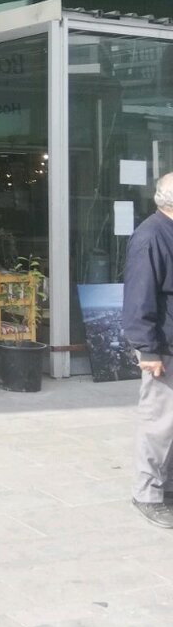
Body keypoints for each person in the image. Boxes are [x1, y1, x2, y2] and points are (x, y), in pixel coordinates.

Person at [123, 173, 173, 527]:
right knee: (158, 423)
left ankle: (166, 486)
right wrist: (148, 351)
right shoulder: (151, 236)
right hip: (163, 347)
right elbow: (139, 296)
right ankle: (147, 494)